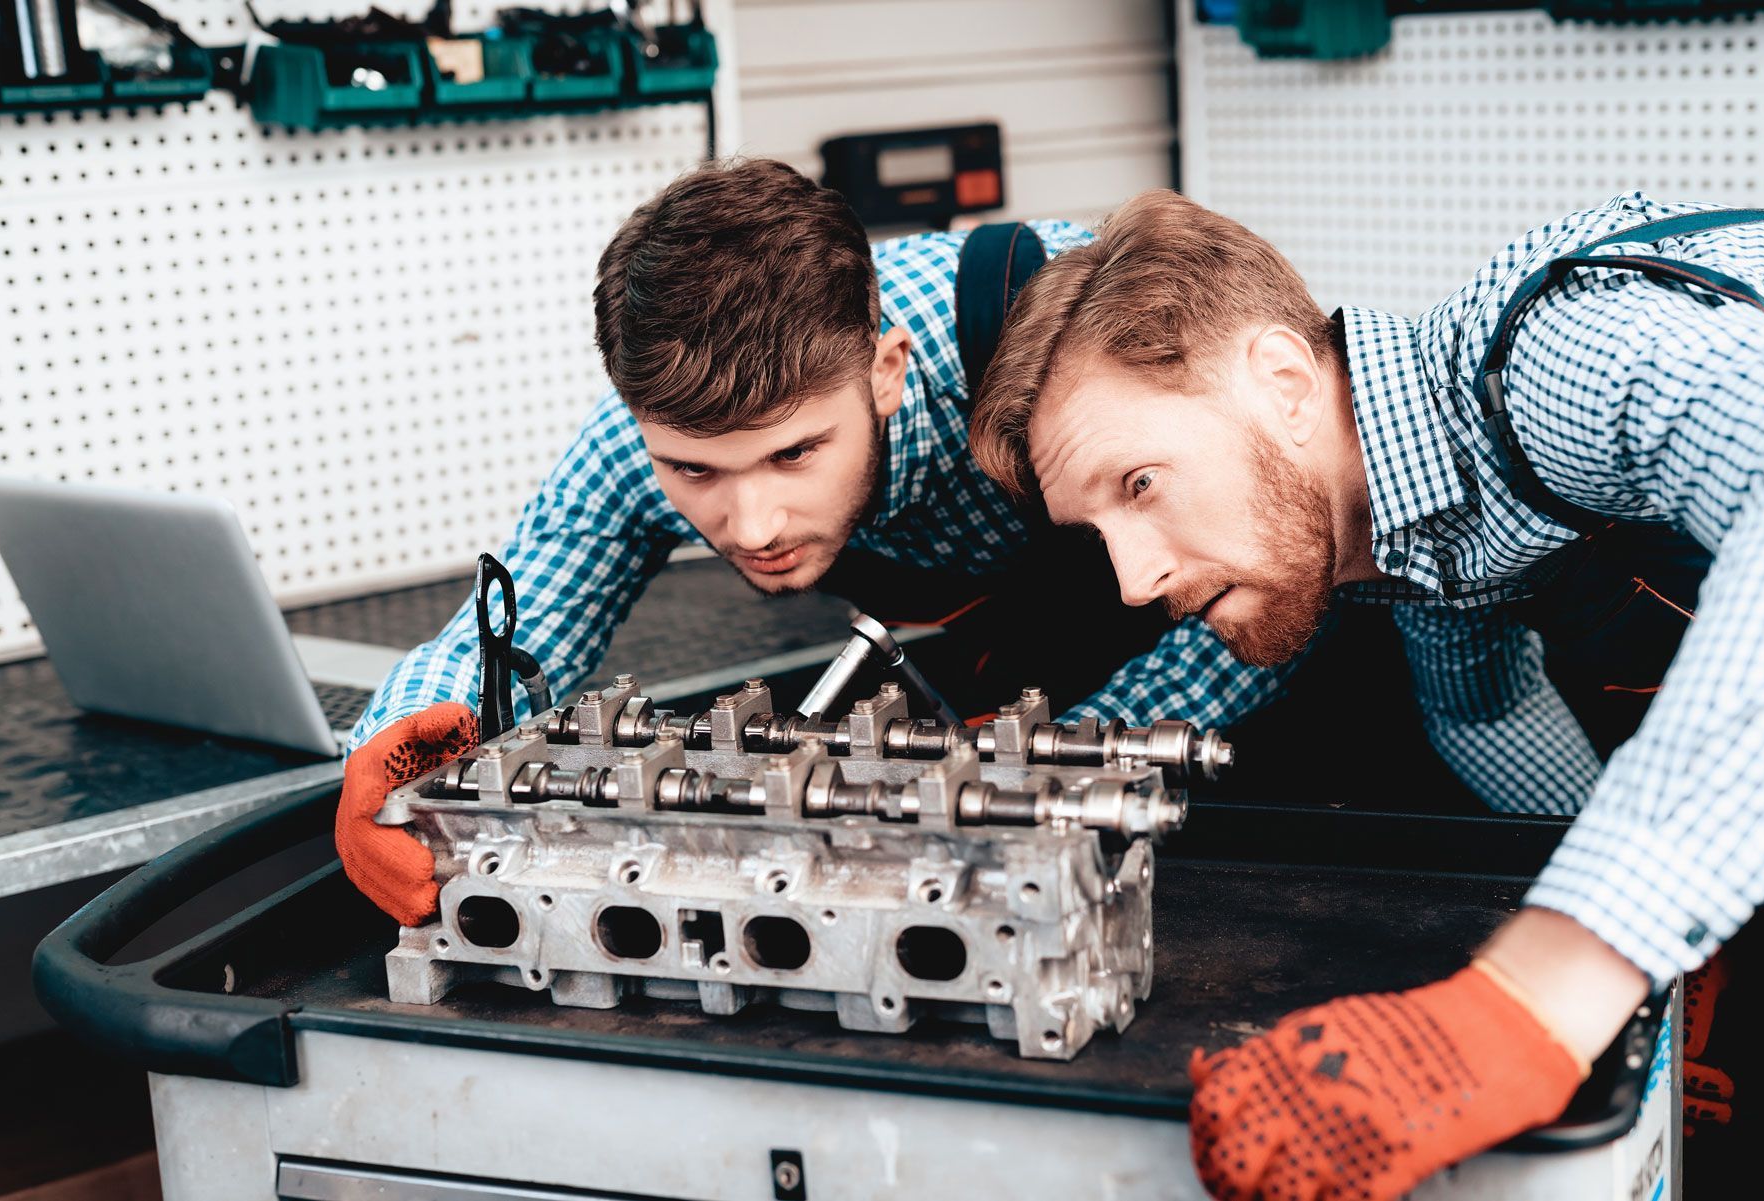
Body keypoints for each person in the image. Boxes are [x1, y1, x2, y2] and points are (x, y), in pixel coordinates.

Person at [969, 188, 1764, 1197]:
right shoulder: (1414, 549)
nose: (1134, 580)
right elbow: (1484, 712)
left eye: (1139, 484)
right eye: (1099, 533)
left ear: (1280, 379)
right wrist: (1666, 955)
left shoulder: (1556, 353)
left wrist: (1532, 999)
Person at [335, 158, 1331, 929]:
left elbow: (1269, 549)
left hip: (1249, 754)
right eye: (695, 475)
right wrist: (409, 749)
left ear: (887, 371)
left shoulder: (1063, 345)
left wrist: (1049, 775)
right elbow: (524, 616)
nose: (752, 526)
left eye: (796, 453)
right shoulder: (649, 431)